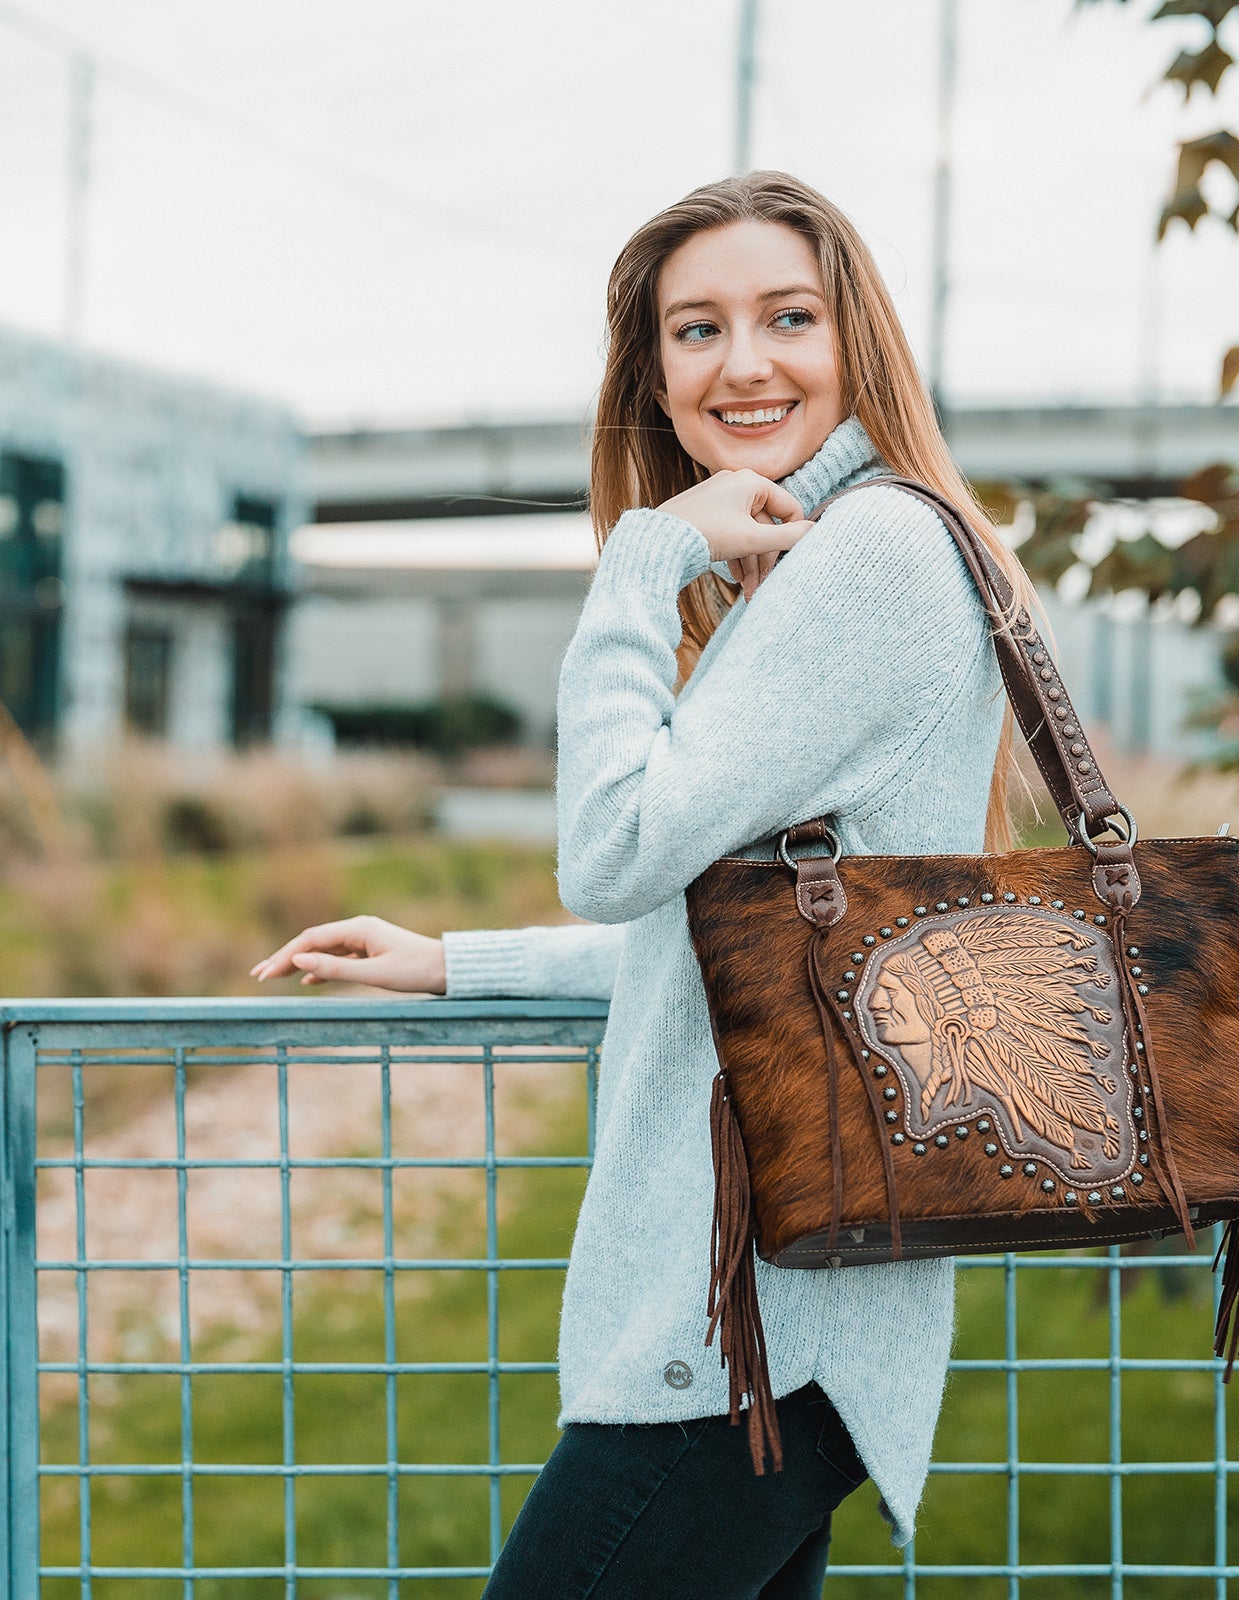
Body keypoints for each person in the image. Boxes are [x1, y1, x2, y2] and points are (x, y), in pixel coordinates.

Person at [251, 170, 1052, 1599]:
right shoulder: (838, 558)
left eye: (787, 316)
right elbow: (737, 937)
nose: (743, 363)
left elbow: (615, 851)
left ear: (856, 338)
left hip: (744, 1334)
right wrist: (459, 962)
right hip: (782, 1319)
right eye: (697, 330)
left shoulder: (868, 557)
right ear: (656, 372)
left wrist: (642, 559)